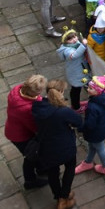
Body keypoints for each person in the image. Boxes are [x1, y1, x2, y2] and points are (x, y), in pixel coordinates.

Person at [32, 78, 83, 209]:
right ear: (60, 92)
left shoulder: (37, 107)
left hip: (47, 149)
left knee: (52, 173)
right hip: (65, 148)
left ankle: (57, 195)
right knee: (70, 168)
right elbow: (79, 121)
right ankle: (64, 197)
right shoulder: (63, 111)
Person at [5, 74, 48, 189]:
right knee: (30, 157)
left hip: (12, 129)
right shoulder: (26, 108)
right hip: (20, 136)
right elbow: (34, 126)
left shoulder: (16, 90)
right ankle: (30, 181)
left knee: (35, 155)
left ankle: (41, 169)